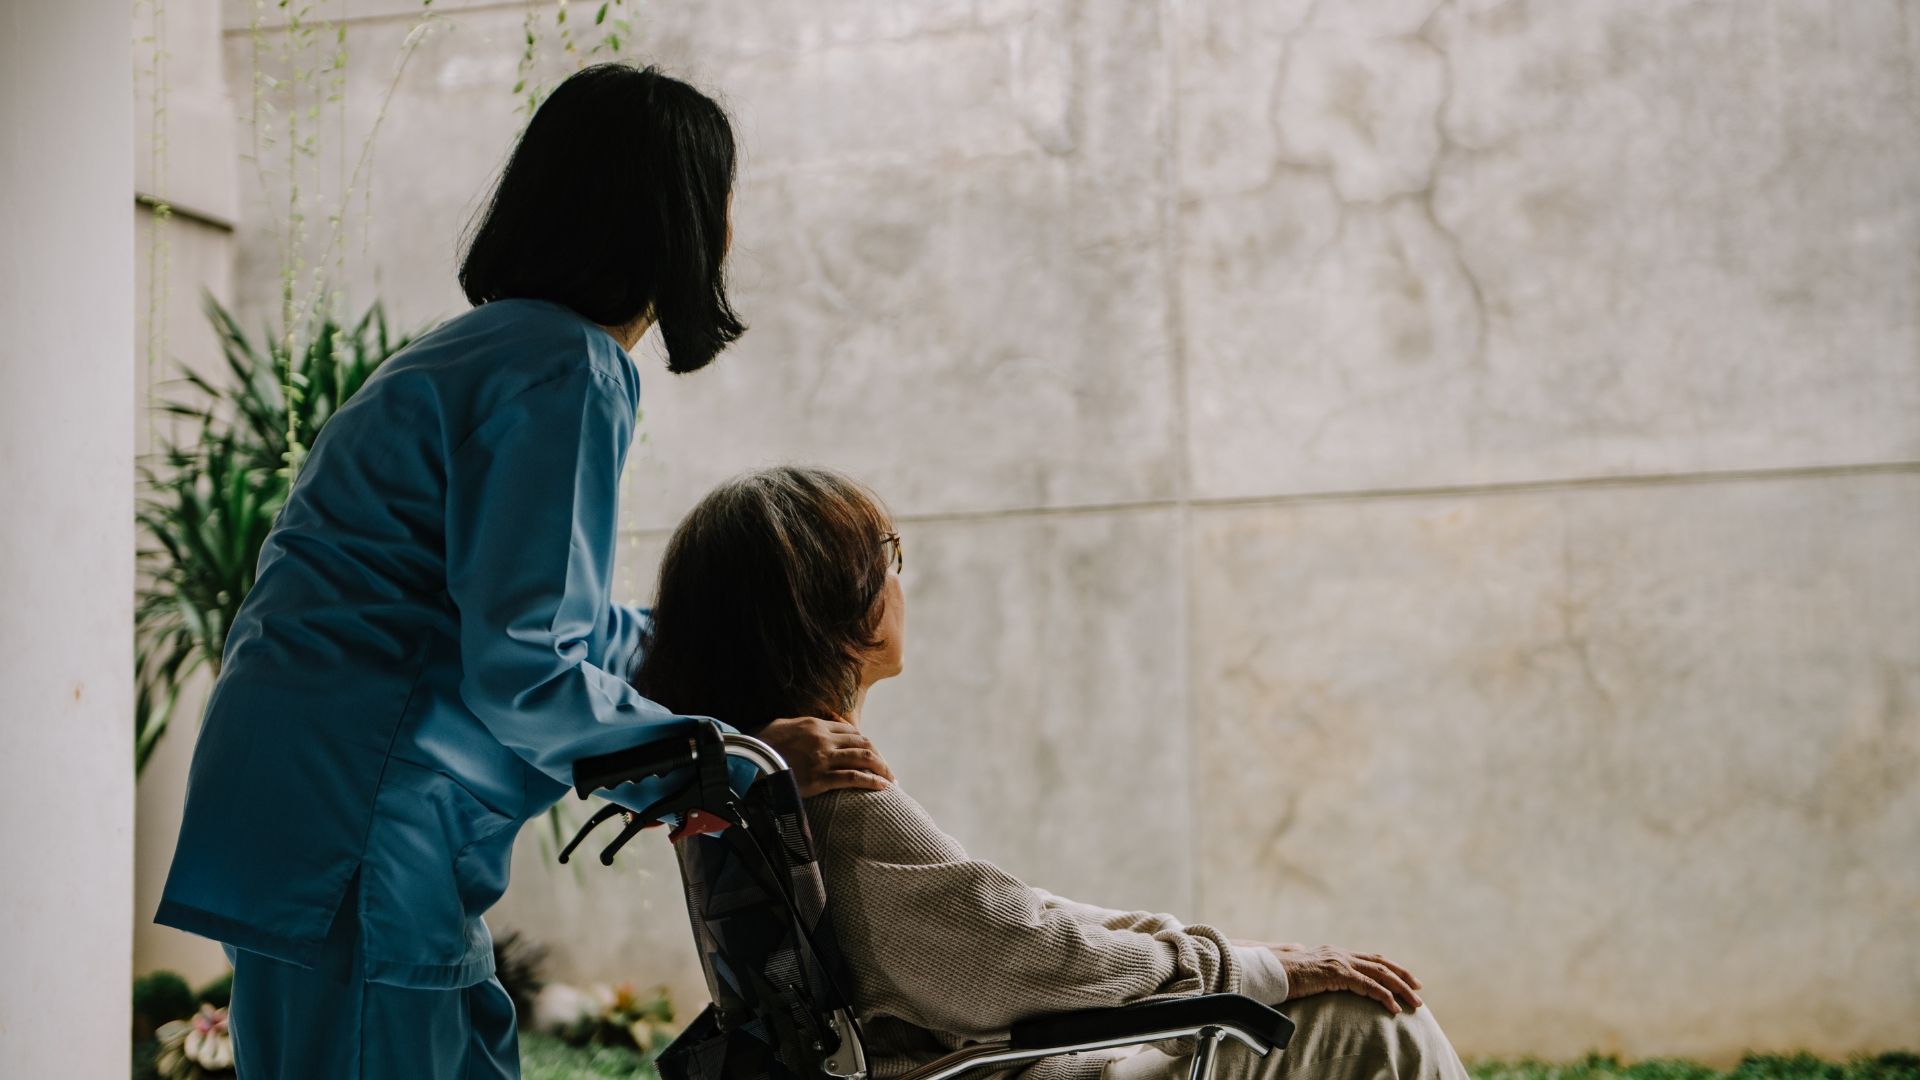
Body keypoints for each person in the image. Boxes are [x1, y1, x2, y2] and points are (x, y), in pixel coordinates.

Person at [155, 66, 892, 1079]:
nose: (729, 227)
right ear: (677, 213)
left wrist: (714, 656)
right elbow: (525, 662)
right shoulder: (563, 370)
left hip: (326, 809)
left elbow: (535, 626)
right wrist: (736, 763)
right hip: (365, 826)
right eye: (722, 195)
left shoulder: (490, 352)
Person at [632, 466, 1473, 1080]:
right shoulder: (840, 805)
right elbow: (1028, 960)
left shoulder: (744, 787)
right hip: (1001, 1070)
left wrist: (1224, 953)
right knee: (1372, 1021)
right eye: (887, 554)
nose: (899, 577)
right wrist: (1254, 970)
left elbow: (1013, 928)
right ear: (840, 614)